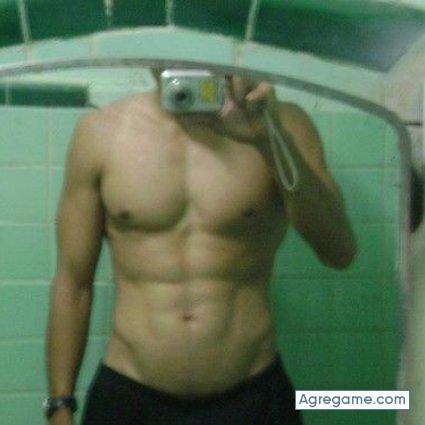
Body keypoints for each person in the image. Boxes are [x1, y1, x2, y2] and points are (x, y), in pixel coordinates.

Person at [44, 67, 357, 425]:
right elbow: (73, 283)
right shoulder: (100, 132)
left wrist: (268, 140)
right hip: (130, 395)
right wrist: (59, 405)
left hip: (253, 394)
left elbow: (339, 251)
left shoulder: (283, 124)